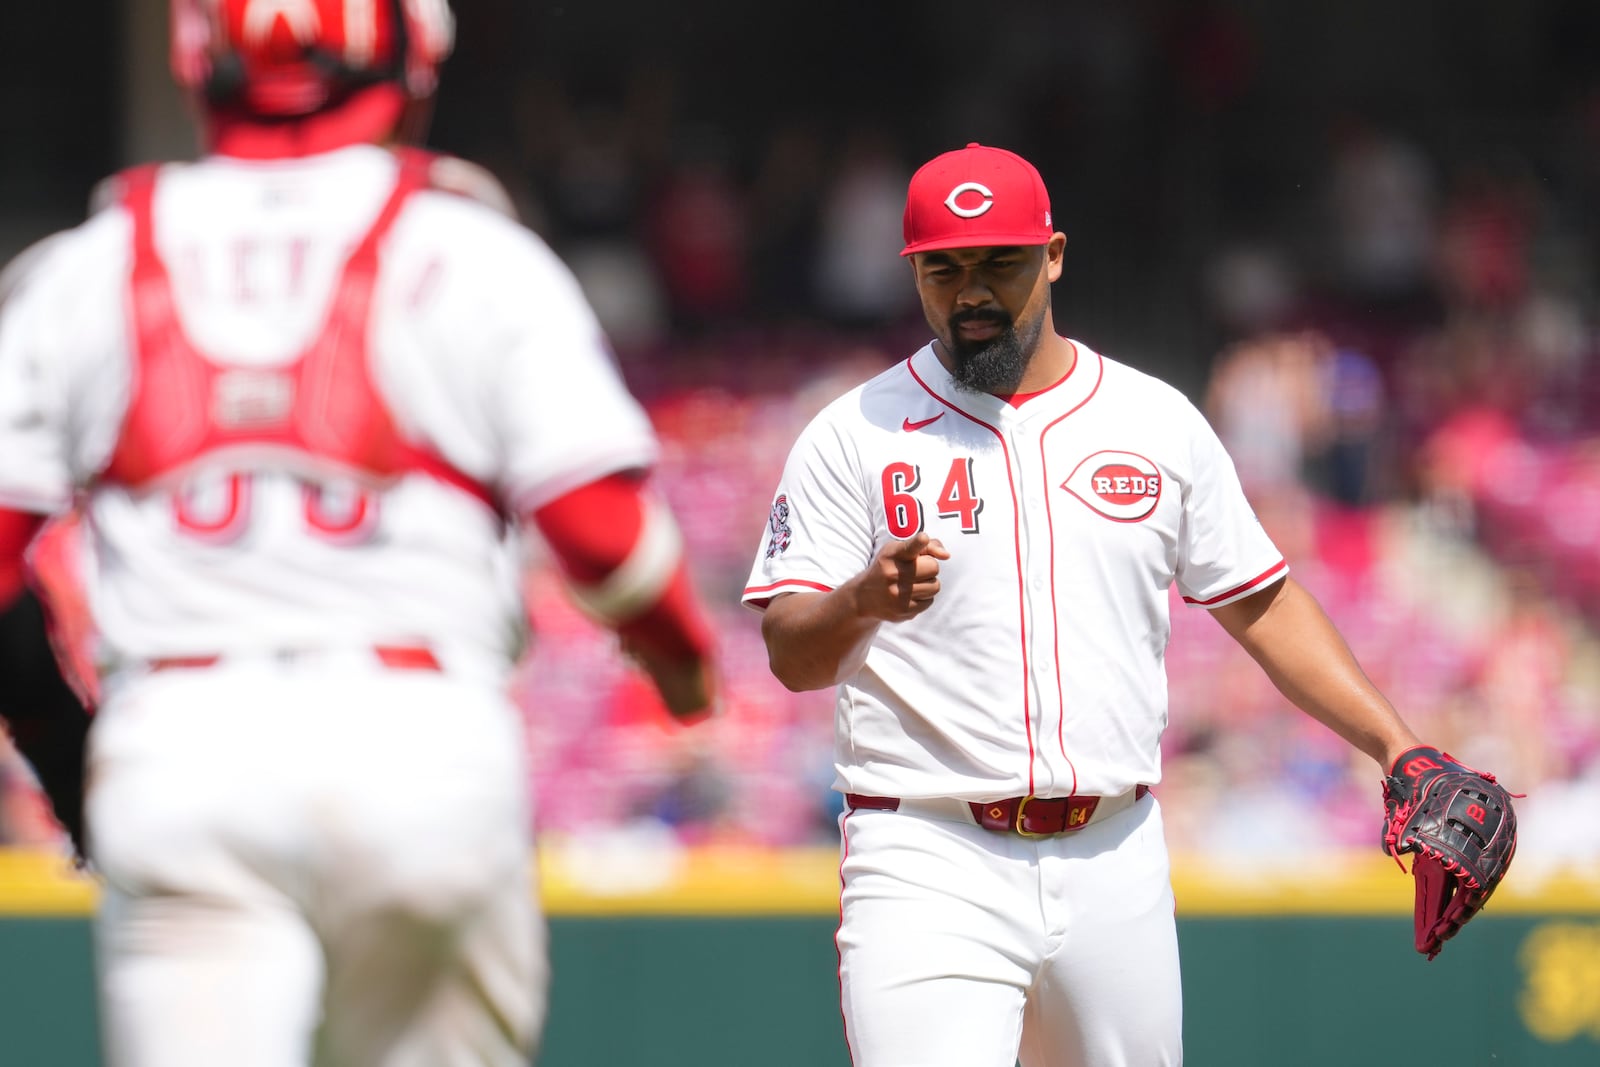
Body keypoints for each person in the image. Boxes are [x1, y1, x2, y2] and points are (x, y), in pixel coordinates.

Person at [0, 1, 718, 1065]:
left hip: (181, 737)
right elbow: (599, 532)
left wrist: (68, 752)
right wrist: (682, 661)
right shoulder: (470, 247)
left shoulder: (88, 263)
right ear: (411, 58)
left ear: (197, 59)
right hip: (416, 736)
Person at [741, 142, 1514, 1067]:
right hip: (926, 852)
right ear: (913, 273)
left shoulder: (1154, 421)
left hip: (1116, 854)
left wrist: (1399, 746)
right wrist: (862, 598)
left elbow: (1261, 602)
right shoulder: (852, 432)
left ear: (1055, 254)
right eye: (944, 268)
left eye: (1000, 261)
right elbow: (791, 652)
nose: (971, 290)